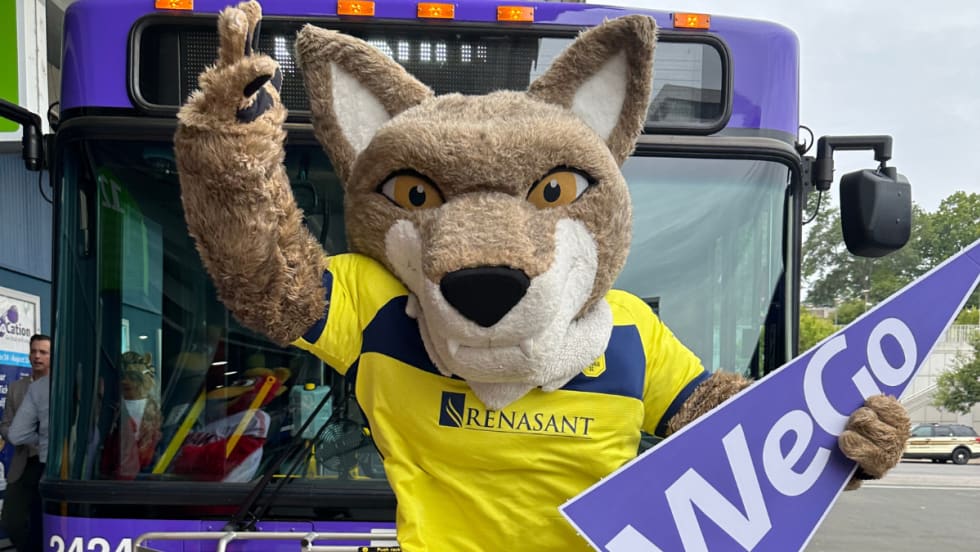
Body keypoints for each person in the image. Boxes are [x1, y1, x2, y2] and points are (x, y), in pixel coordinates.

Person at [2, 334, 51, 552]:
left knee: (43, 521)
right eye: (33, 351)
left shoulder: (60, 387)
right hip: (24, 462)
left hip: (51, 465)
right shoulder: (16, 388)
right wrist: (15, 433)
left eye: (43, 352)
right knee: (12, 522)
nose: (37, 356)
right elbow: (6, 424)